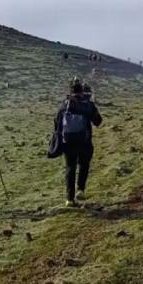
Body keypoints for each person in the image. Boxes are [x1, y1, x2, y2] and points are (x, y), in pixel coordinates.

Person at [55, 78, 102, 207]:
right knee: (84, 164)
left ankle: (69, 199)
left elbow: (57, 121)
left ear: (70, 91)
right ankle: (80, 189)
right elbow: (98, 121)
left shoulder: (65, 104)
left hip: (68, 141)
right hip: (84, 141)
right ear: (82, 91)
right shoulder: (87, 104)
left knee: (70, 168)